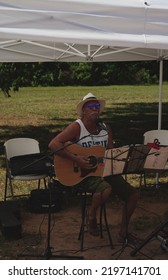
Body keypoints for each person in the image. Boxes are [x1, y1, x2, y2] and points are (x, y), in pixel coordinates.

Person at [48, 93, 139, 241]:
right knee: (105, 188)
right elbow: (53, 144)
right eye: (91, 106)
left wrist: (122, 157)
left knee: (133, 195)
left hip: (103, 169)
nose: (95, 109)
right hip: (83, 174)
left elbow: (110, 152)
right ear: (84, 110)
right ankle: (91, 217)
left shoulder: (105, 129)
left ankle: (124, 232)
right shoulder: (77, 127)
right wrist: (76, 159)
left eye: (97, 106)